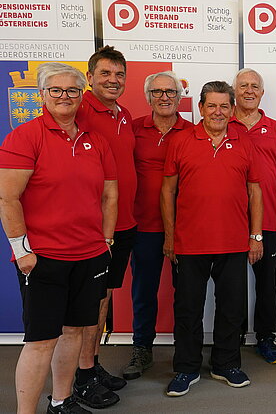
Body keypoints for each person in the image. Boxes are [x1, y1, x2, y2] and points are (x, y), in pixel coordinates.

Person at [0, 62, 118, 414]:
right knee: (41, 341)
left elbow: (109, 195)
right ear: (42, 94)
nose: (64, 96)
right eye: (56, 90)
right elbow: (7, 198)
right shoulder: (25, 137)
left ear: (81, 95)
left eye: (72, 90)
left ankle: (61, 402)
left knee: (74, 332)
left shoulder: (96, 141)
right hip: (43, 258)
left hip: (89, 256)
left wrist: (106, 242)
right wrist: (22, 250)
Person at [162, 81, 263, 397]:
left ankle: (226, 364)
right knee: (188, 308)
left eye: (224, 106)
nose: (218, 112)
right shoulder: (180, 141)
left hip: (234, 241)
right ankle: (187, 368)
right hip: (189, 242)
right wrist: (170, 237)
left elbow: (255, 191)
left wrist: (256, 236)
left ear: (232, 110)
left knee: (232, 308)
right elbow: (167, 190)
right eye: (211, 106)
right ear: (201, 108)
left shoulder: (244, 142)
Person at [121, 71, 193, 380]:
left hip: (185, 227)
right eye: (157, 92)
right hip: (144, 226)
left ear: (180, 96)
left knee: (186, 293)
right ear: (148, 96)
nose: (164, 97)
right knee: (143, 291)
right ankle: (142, 349)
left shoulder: (193, 132)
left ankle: (185, 352)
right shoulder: (133, 129)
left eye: (170, 92)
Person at [75, 45, 136, 405]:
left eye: (119, 74)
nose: (113, 80)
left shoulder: (123, 113)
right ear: (90, 77)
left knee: (104, 298)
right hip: (93, 229)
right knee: (89, 302)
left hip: (123, 223)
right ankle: (81, 376)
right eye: (105, 73)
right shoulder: (79, 109)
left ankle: (92, 363)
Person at [230, 68, 276, 364]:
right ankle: (232, 337)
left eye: (254, 86)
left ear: (262, 93)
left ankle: (266, 338)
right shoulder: (223, 123)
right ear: (234, 91)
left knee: (267, 283)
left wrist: (260, 195)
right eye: (243, 86)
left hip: (267, 220)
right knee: (231, 283)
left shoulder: (275, 129)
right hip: (229, 220)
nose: (249, 91)